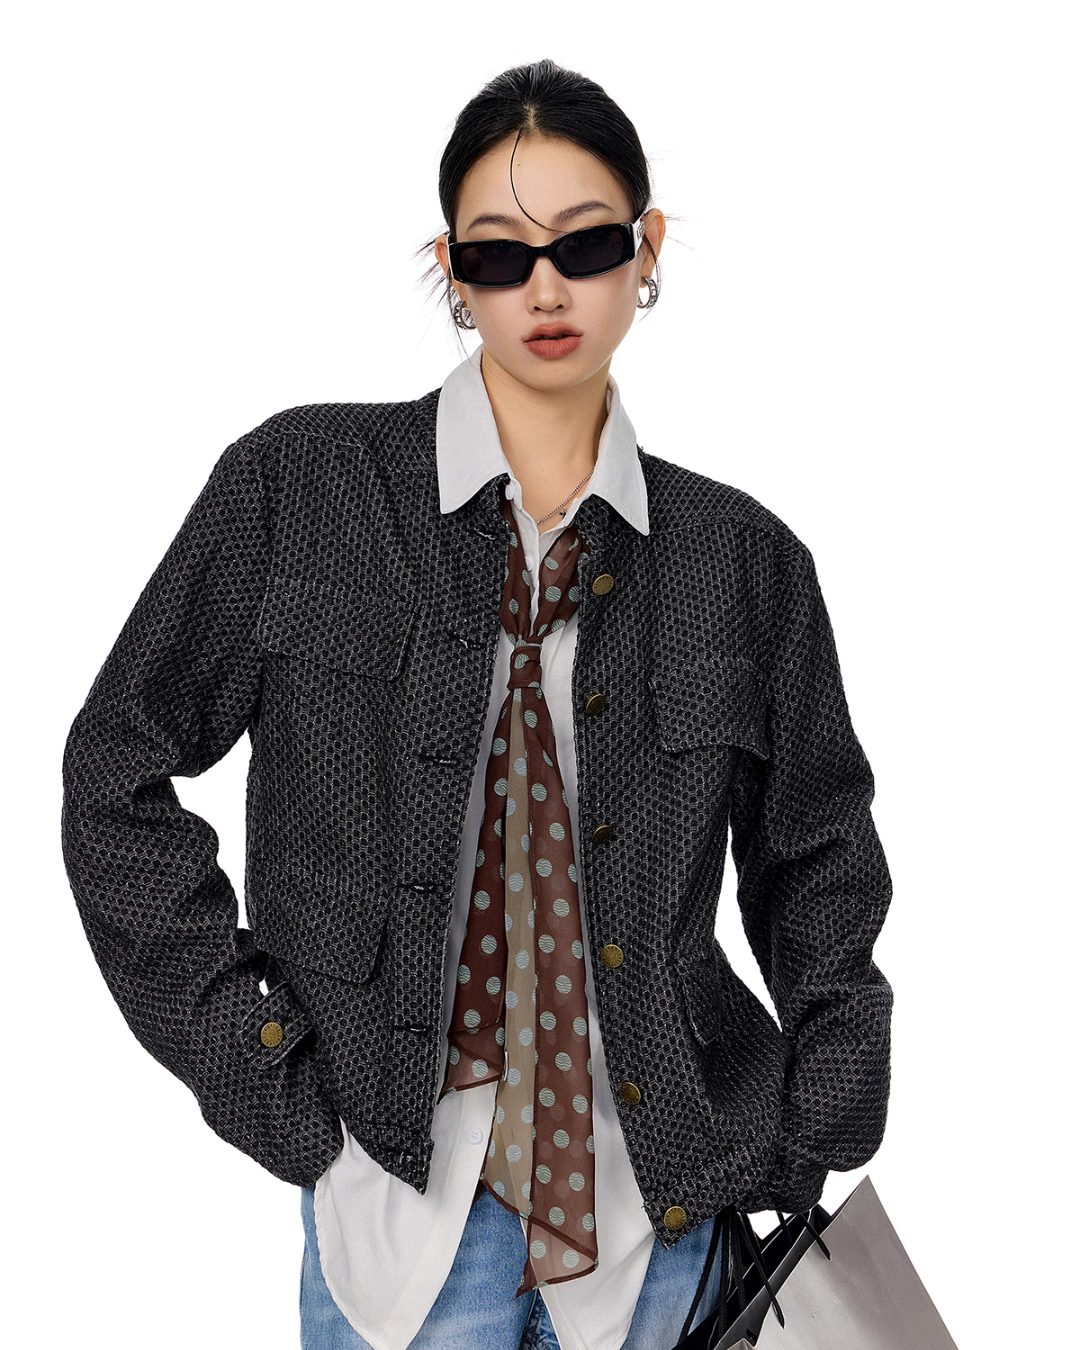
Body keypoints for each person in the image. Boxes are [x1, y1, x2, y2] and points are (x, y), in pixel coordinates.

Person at [61, 58, 893, 1350]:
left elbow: (818, 853)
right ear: (452, 271)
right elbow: (115, 770)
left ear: (646, 251)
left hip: (666, 1231)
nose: (545, 290)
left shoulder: (741, 559)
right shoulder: (302, 486)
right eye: (500, 255)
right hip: (399, 1222)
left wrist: (821, 1109)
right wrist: (259, 1062)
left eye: (587, 244)